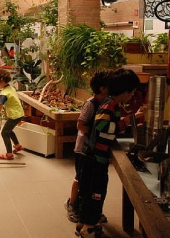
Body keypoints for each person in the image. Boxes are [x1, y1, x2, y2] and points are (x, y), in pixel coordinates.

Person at [77, 68, 142, 238]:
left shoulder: (110, 103)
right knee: (96, 193)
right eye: (132, 92)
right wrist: (122, 124)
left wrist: (121, 121)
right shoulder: (109, 105)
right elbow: (101, 126)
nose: (132, 95)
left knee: (88, 192)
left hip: (92, 156)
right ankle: (89, 229)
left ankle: (82, 223)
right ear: (126, 92)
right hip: (96, 158)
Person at [65, 70, 110, 224]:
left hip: (93, 149)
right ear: (103, 88)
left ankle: (90, 208)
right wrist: (95, 134)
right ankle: (71, 204)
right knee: (80, 177)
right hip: (83, 148)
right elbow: (80, 124)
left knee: (90, 181)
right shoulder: (91, 104)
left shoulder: (107, 103)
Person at [0, 68, 24, 160]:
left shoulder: (3, 94)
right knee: (9, 130)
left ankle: (9, 154)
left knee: (4, 133)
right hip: (20, 113)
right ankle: (18, 146)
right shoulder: (10, 88)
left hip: (14, 116)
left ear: (2, 81)